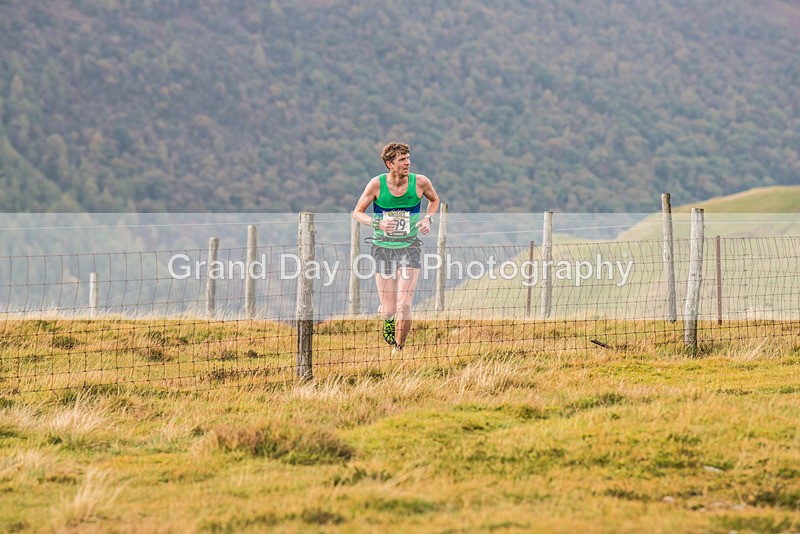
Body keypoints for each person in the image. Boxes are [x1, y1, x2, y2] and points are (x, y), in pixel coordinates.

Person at [353, 142, 440, 354]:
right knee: (389, 309)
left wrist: (428, 219)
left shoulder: (420, 182)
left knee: (405, 305)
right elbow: (357, 212)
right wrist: (377, 223)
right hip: (382, 248)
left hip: (410, 247)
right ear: (389, 164)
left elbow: (435, 200)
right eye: (402, 160)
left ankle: (398, 349)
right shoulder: (376, 184)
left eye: (408, 158)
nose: (407, 163)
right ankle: (388, 321)